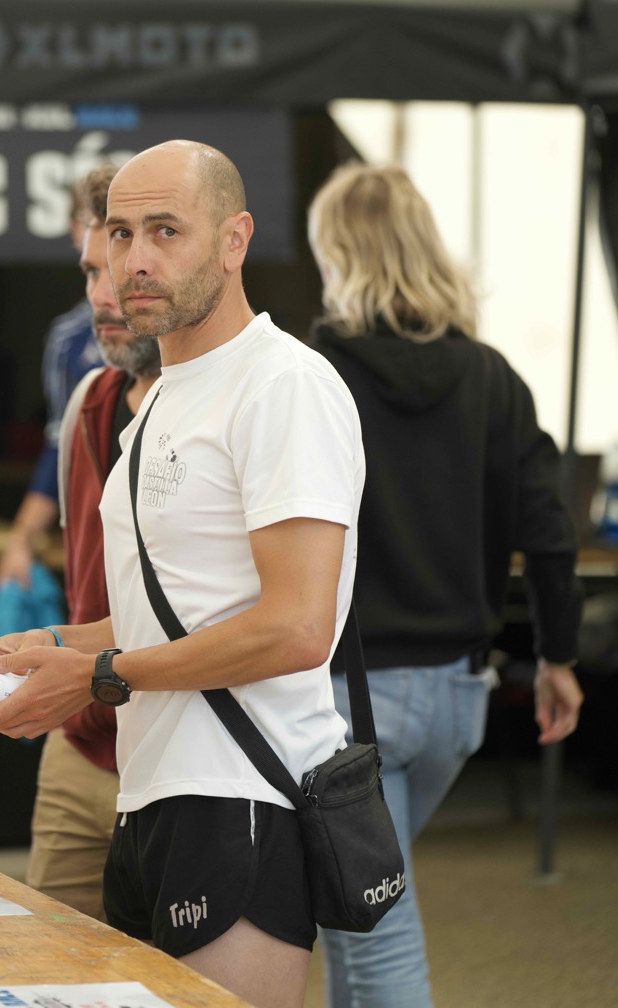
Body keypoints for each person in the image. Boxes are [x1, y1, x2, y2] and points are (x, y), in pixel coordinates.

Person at [0, 140, 365, 1008]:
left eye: (166, 231)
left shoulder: (282, 384)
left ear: (234, 240)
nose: (135, 259)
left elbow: (298, 627)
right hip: (149, 791)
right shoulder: (162, 397)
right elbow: (180, 611)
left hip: (245, 792)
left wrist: (95, 675)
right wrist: (52, 645)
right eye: (120, 233)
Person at [306, 162, 584, 1008]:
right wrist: (557, 656)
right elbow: (548, 530)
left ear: (335, 255)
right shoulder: (492, 377)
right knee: (357, 916)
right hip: (457, 699)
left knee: (378, 939)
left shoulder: (311, 375)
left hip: (348, 700)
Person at [26, 164, 161, 920]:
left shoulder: (236, 407)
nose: (101, 297)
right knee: (53, 963)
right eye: (88, 271)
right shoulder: (88, 404)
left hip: (188, 753)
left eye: (118, 272)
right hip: (79, 745)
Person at [0, 183, 103, 589]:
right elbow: (61, 446)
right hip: (97, 533)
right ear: (76, 230)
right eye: (94, 221)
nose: (107, 234)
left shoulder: (172, 320)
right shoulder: (69, 338)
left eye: (120, 226)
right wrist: (20, 541)